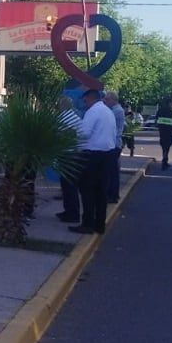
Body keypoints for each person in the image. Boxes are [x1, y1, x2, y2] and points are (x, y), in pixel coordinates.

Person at [72, 88, 118, 235]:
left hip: (92, 156)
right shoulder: (108, 112)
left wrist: (74, 132)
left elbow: (84, 133)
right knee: (101, 192)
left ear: (90, 99)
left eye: (85, 101)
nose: (84, 103)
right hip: (108, 155)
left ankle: (87, 224)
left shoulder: (92, 112)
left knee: (87, 191)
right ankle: (99, 225)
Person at [56, 95, 84, 224]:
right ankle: (69, 211)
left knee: (69, 186)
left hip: (68, 154)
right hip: (74, 154)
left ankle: (72, 214)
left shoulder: (65, 118)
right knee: (68, 185)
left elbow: (66, 135)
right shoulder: (74, 116)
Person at [103, 90, 125, 203]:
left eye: (107, 99)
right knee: (113, 171)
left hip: (114, 143)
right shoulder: (115, 110)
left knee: (111, 172)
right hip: (115, 143)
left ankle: (112, 195)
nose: (105, 101)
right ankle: (113, 194)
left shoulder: (116, 111)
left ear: (113, 100)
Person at [155, 99, 172, 170]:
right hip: (169, 132)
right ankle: (164, 160)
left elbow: (156, 121)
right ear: (169, 103)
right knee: (167, 146)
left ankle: (165, 159)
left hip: (162, 131)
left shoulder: (160, 110)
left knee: (163, 145)